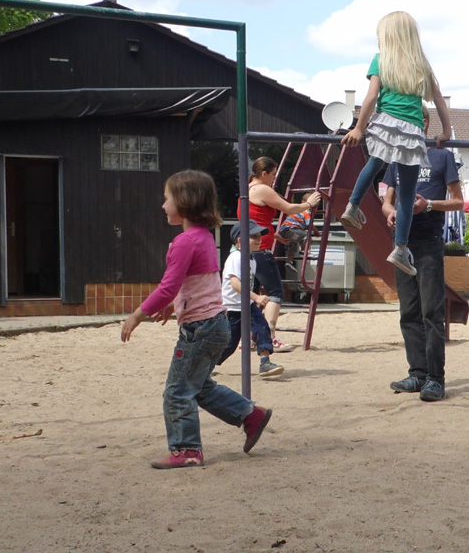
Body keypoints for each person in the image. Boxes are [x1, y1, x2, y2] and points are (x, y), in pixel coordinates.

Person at [121, 170, 272, 469]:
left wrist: (138, 315)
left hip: (199, 329)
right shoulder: (203, 238)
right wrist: (173, 305)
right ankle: (250, 415)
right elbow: (192, 283)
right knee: (200, 387)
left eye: (167, 199)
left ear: (185, 202)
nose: (163, 205)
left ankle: (187, 450)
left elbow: (168, 285)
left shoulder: (185, 242)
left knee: (177, 391)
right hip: (215, 325)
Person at [340, 11, 453, 278]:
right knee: (406, 194)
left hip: (385, 123)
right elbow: (438, 100)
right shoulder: (421, 64)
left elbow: (370, 98)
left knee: (374, 162)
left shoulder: (381, 61)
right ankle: (400, 248)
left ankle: (352, 206)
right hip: (412, 130)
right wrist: (446, 130)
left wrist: (359, 127)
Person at [381, 109, 463, 402]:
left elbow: (458, 202)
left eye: (416, 120)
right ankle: (417, 374)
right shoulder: (397, 157)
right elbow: (386, 202)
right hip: (402, 242)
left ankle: (435, 379)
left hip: (428, 241)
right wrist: (390, 213)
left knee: (431, 312)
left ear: (425, 124)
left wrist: (428, 204)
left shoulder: (442, 157)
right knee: (409, 311)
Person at [248, 156, 322, 352]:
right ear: (263, 174)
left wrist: (277, 237)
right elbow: (288, 208)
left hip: (249, 250)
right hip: (260, 250)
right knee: (274, 294)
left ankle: (250, 338)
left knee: (253, 295)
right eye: (272, 175)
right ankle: (269, 337)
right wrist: (309, 204)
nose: (274, 180)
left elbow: (257, 218)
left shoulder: (248, 189)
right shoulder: (262, 189)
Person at [217, 220, 284, 379]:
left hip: (247, 305)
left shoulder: (251, 259)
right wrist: (256, 297)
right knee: (230, 343)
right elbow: (235, 284)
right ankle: (205, 365)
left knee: (262, 328)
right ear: (240, 241)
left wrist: (253, 299)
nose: (259, 239)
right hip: (232, 308)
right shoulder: (235, 258)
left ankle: (265, 362)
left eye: (260, 236)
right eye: (254, 236)